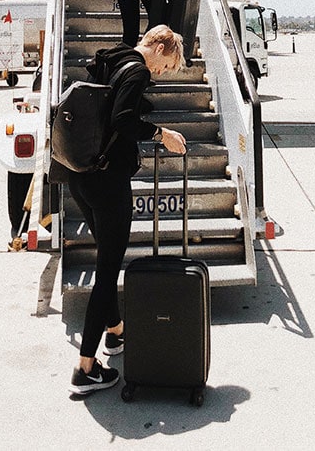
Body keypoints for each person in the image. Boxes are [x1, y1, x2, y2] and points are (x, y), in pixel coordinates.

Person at [68, 25, 187, 395]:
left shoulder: (114, 56)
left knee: (106, 254)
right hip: (107, 182)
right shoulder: (136, 69)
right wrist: (161, 134)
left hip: (81, 174)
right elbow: (123, 120)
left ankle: (116, 334)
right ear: (159, 47)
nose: (162, 72)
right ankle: (85, 369)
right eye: (167, 64)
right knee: (106, 272)